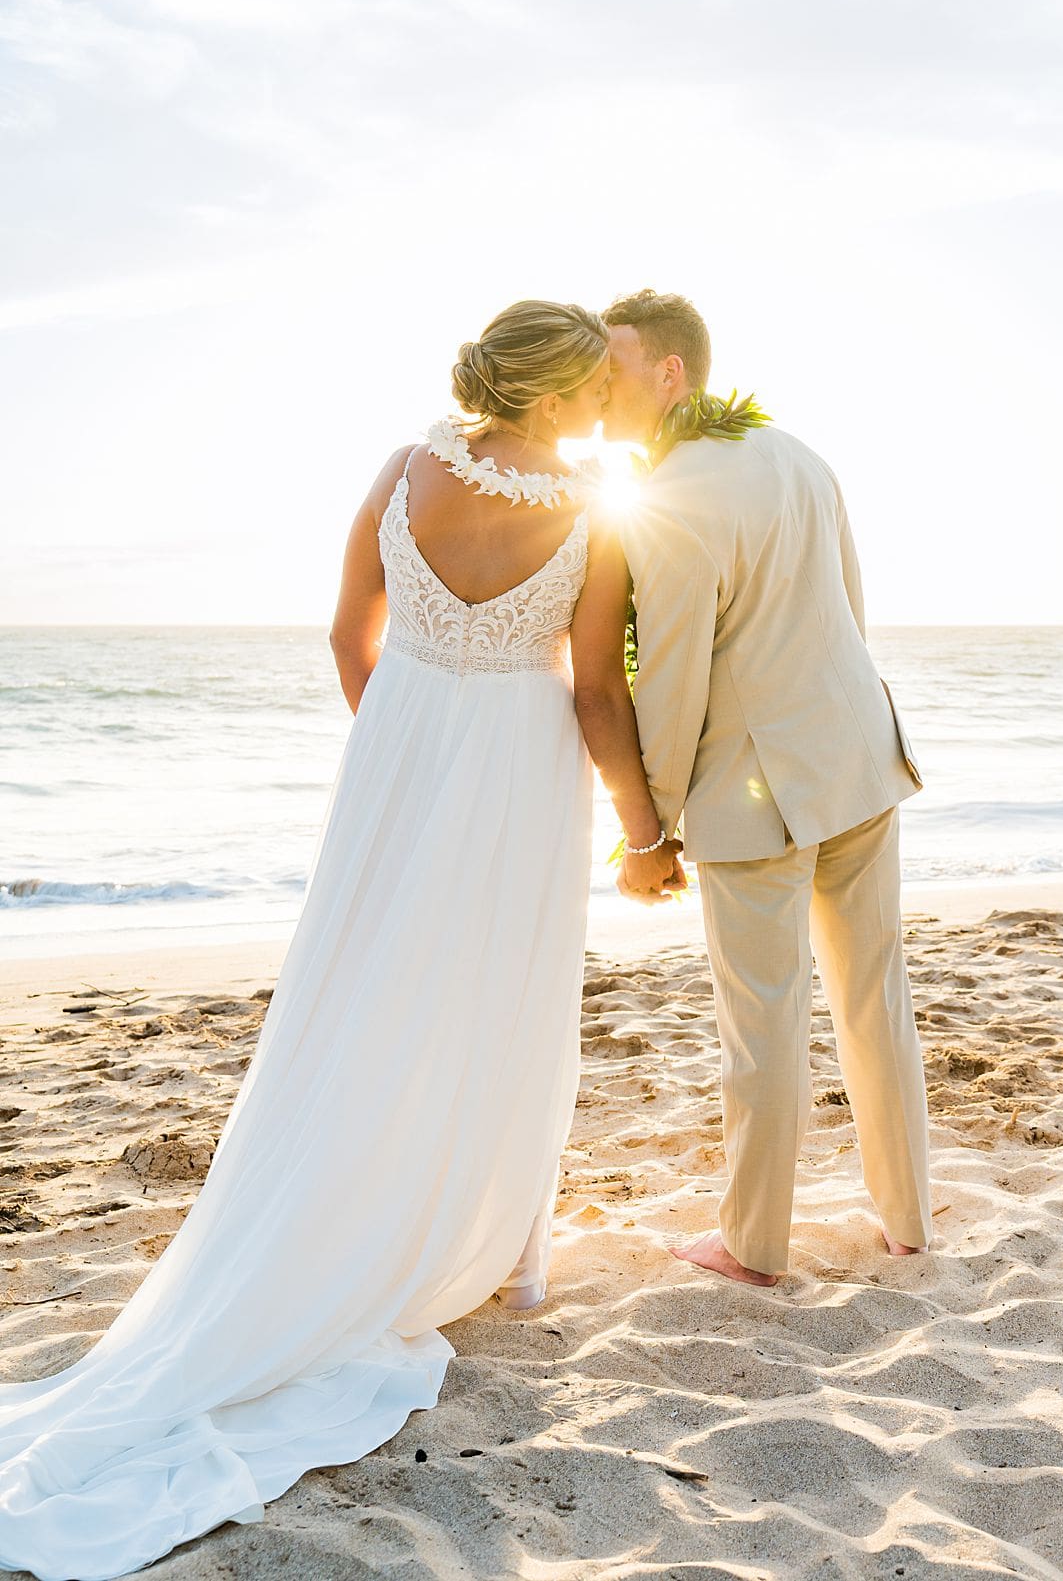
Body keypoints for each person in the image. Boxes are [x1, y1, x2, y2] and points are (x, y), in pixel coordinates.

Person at [0, 298, 679, 1581]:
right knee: (495, 992)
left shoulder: (405, 464)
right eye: (593, 386)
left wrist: (404, 744)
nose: (603, 405)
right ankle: (489, 1249)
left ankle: (375, 1206)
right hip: (522, 764)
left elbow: (344, 635)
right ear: (556, 395)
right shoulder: (590, 509)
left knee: (361, 988)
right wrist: (645, 832)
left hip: (401, 741)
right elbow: (594, 688)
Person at [603, 288, 934, 1288]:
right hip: (859, 756)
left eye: (608, 371)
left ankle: (752, 1245)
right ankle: (910, 1219)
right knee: (877, 997)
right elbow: (851, 607)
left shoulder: (671, 499)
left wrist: (649, 831)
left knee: (765, 1022)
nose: (595, 391)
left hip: (760, 793)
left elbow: (666, 684)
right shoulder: (797, 454)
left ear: (670, 374)